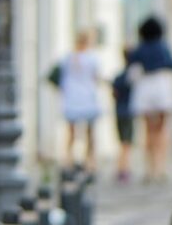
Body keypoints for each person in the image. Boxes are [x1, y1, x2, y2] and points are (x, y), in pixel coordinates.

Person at [128, 16, 172, 183]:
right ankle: (161, 166)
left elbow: (132, 65)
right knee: (162, 129)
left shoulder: (140, 48)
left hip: (145, 88)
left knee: (148, 130)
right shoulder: (163, 46)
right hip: (163, 87)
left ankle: (149, 168)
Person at [57, 30, 103, 171]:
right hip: (87, 97)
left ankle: (68, 159)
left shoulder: (68, 58)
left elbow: (63, 78)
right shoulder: (91, 58)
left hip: (72, 97)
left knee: (71, 132)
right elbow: (96, 77)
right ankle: (90, 161)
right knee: (90, 132)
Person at [111, 48, 135, 184]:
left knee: (122, 142)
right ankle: (124, 168)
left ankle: (121, 167)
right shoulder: (132, 76)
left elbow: (114, 93)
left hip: (119, 111)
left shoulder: (119, 76)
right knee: (127, 143)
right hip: (128, 111)